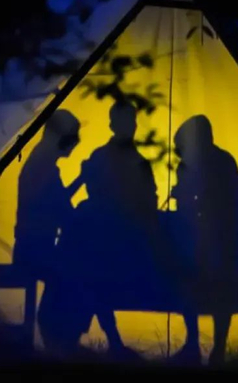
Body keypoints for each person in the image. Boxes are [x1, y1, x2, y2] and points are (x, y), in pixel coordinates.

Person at [68, 101, 162, 360]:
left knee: (91, 273)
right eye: (126, 121)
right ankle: (107, 341)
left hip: (124, 246)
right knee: (91, 272)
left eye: (132, 121)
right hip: (113, 245)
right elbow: (148, 204)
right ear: (114, 125)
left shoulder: (128, 161)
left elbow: (149, 204)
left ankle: (106, 340)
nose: (131, 127)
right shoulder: (116, 160)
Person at [171, 115, 238, 366]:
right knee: (198, 283)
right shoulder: (223, 160)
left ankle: (207, 346)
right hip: (211, 238)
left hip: (219, 238)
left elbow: (224, 202)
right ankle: (209, 346)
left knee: (211, 286)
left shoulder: (218, 162)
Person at [10, 109, 83, 355]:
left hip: (33, 248)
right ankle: (57, 337)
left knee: (71, 270)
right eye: (72, 138)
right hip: (33, 251)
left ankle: (57, 336)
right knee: (76, 274)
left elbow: (59, 203)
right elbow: (63, 211)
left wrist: (80, 181)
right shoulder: (43, 168)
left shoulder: (41, 163)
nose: (73, 145)